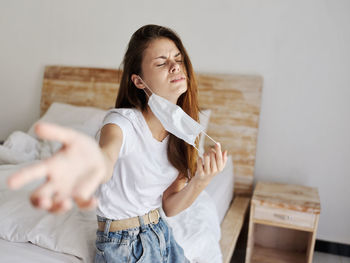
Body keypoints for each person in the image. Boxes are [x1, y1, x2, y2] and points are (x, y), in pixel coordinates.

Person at [7, 24, 228, 263]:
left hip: (160, 233)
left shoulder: (183, 133)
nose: (175, 66)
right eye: (161, 62)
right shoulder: (121, 122)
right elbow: (105, 159)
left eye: (178, 59)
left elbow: (170, 207)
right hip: (123, 244)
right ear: (139, 81)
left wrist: (200, 182)